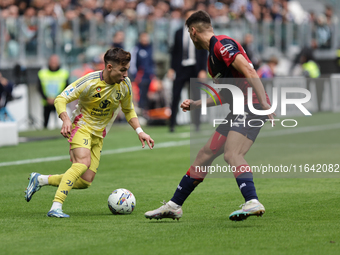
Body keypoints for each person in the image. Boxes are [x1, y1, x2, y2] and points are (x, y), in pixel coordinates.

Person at [145, 10, 274, 222]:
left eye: (189, 33)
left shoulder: (222, 44)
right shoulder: (212, 58)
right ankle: (174, 205)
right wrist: (198, 104)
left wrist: (265, 104)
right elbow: (227, 92)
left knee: (232, 154)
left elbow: (250, 71)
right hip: (240, 108)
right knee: (204, 155)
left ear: (193, 31)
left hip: (251, 106)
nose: (190, 37)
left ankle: (252, 201)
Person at [25, 48, 155, 218]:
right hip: (81, 127)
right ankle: (56, 206)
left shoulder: (125, 84)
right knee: (82, 162)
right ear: (109, 67)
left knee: (85, 181)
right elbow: (61, 99)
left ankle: (40, 179)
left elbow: (129, 110)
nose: (125, 74)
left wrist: (140, 131)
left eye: (127, 69)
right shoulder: (90, 81)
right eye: (122, 70)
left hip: (99, 134)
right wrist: (65, 120)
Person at [168, 9, 207, 132]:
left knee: (196, 98)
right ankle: (172, 124)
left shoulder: (200, 33)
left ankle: (197, 125)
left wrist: (202, 69)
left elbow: (203, 52)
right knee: (175, 96)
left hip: (195, 69)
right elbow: (174, 52)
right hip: (181, 68)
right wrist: (171, 68)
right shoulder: (179, 33)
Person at [37, 54, 69, 129]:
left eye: (55, 62)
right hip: (46, 101)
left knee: (61, 121)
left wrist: (57, 98)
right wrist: (46, 98)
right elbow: (39, 88)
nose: (53, 63)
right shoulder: (42, 73)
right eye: (52, 61)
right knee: (45, 123)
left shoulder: (64, 73)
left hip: (60, 101)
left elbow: (67, 87)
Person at [130, 32, 155, 113]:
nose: (145, 40)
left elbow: (152, 63)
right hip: (140, 78)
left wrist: (153, 74)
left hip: (149, 77)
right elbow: (132, 64)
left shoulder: (150, 48)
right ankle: (140, 113)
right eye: (143, 38)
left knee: (149, 95)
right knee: (140, 96)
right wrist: (135, 76)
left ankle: (147, 112)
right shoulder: (136, 49)